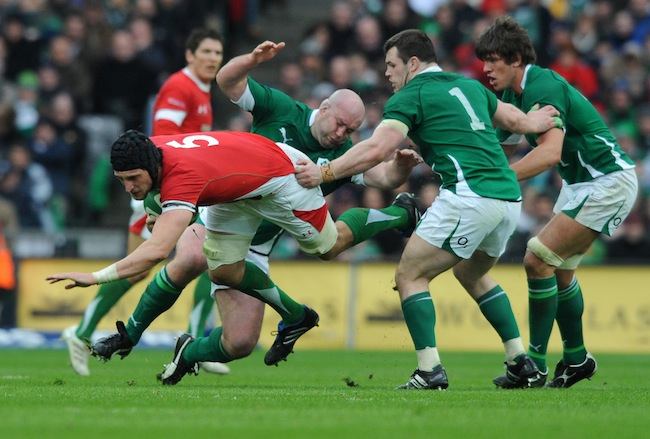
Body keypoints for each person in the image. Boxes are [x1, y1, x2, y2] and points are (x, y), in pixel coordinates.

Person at [84, 41, 423, 374]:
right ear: (323, 108)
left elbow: (382, 176)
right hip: (229, 205)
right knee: (190, 257)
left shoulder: (344, 154)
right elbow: (227, 81)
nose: (342, 134)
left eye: (350, 130)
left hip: (259, 243)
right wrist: (249, 59)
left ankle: (188, 353)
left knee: (240, 342)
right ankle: (129, 332)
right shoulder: (281, 108)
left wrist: (402, 169)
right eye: (339, 124)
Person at [47, 129, 419, 386]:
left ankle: (400, 213)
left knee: (328, 247)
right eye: (121, 180)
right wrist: (148, 198)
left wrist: (95, 277)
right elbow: (149, 193)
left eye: (132, 179)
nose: (128, 188)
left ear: (150, 166)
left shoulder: (182, 177)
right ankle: (296, 316)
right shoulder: (151, 150)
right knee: (222, 269)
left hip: (282, 178)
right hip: (234, 192)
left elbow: (155, 252)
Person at [295, 29, 561, 390]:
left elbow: (376, 149)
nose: (387, 72)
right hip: (507, 201)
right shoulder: (468, 86)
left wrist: (325, 171)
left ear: (413, 63)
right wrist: (537, 121)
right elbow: (515, 122)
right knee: (470, 273)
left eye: (392, 64)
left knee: (410, 275)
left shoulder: (411, 95)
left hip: (469, 197)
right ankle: (520, 362)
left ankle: (429, 370)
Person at [475, 17, 638, 388]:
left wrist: (499, 179)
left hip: (606, 180)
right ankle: (577, 359)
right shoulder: (511, 98)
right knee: (559, 271)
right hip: (581, 184)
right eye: (483, 60)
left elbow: (549, 154)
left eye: (493, 60)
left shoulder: (542, 84)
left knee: (536, 258)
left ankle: (533, 364)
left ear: (516, 59)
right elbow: (495, 152)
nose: (485, 69)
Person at [61, 28, 227, 377]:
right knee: (150, 264)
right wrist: (157, 195)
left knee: (197, 259)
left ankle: (85, 333)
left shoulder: (201, 89)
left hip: (180, 188)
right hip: (163, 190)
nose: (213, 58)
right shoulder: (180, 88)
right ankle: (82, 332)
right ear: (189, 55)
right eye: (207, 51)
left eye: (217, 52)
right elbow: (162, 140)